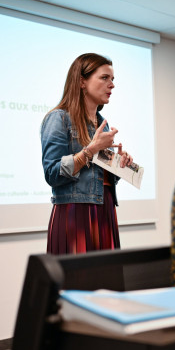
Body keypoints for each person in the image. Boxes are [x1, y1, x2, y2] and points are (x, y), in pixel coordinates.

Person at [41, 53, 133, 254]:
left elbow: (98, 178)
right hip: (75, 213)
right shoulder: (59, 118)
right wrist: (91, 150)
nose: (112, 85)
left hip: (105, 211)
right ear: (82, 82)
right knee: (78, 281)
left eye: (113, 79)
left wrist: (118, 167)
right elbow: (52, 173)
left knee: (107, 281)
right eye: (104, 78)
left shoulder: (102, 124)